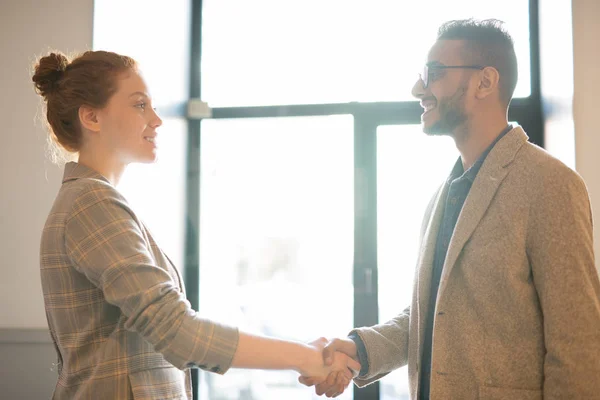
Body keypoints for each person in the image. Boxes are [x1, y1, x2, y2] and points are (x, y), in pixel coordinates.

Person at [300, 19, 600, 399]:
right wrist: (359, 349)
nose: (417, 88)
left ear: (485, 82)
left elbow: (578, 346)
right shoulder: (441, 199)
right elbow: (431, 318)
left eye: (434, 73)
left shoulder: (550, 184)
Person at [34, 50, 359, 399]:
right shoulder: (93, 202)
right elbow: (177, 330)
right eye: (140, 104)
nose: (156, 119)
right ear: (92, 117)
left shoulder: (94, 200)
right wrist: (306, 357)